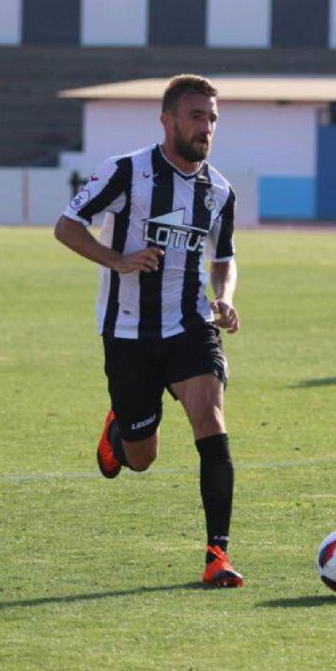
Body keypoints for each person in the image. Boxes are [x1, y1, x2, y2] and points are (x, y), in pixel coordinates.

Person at [54, 74, 243, 587]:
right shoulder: (125, 172)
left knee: (211, 420)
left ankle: (216, 556)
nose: (206, 128)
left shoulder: (220, 192)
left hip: (190, 325)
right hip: (128, 332)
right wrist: (119, 261)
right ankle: (121, 428)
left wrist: (224, 298)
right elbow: (67, 226)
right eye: (195, 116)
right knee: (141, 458)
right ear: (168, 121)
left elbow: (223, 258)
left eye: (212, 119)